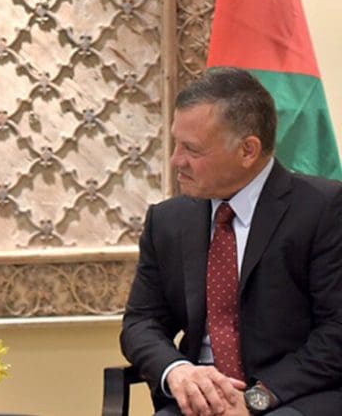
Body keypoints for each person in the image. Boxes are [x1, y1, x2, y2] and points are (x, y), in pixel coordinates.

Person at [121, 67, 342, 416]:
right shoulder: (167, 221)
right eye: (176, 143)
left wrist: (257, 399)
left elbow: (336, 334)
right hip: (201, 401)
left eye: (192, 149)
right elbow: (141, 323)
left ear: (247, 150)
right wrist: (176, 371)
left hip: (295, 396)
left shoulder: (324, 209)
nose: (176, 161)